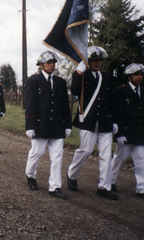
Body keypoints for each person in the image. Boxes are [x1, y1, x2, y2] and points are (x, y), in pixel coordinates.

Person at [66, 46, 118, 200]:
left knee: (106, 155)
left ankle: (104, 186)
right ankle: (72, 175)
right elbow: (74, 91)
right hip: (88, 120)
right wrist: (78, 72)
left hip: (104, 122)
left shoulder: (106, 77)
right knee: (86, 151)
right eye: (94, 60)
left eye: (100, 60)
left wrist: (113, 120)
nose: (98, 63)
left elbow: (111, 100)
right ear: (88, 61)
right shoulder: (83, 75)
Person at [24, 51, 72, 199]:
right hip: (40, 124)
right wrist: (30, 126)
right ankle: (30, 174)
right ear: (41, 64)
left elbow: (65, 105)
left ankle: (55, 186)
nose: (52, 65)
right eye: (48, 63)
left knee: (57, 156)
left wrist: (67, 124)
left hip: (57, 125)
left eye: (53, 63)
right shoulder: (33, 81)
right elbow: (30, 105)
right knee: (37, 152)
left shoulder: (60, 82)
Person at [110, 63, 144, 199]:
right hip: (126, 133)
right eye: (136, 74)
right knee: (119, 159)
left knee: (141, 162)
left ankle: (141, 188)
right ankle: (110, 181)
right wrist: (118, 134)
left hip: (141, 133)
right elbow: (116, 113)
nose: (139, 77)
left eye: (141, 75)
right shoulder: (120, 91)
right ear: (129, 76)